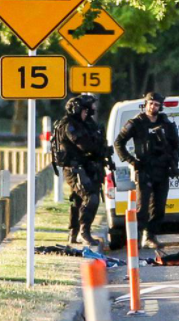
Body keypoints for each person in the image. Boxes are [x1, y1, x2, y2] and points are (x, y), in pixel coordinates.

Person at [113, 91, 179, 249]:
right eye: (150, 103)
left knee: (159, 207)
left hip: (162, 169)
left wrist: (174, 163)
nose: (153, 107)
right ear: (145, 104)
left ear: (160, 107)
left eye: (156, 104)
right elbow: (119, 142)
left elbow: (175, 145)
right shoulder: (136, 122)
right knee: (142, 208)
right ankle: (135, 238)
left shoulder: (166, 123)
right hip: (144, 169)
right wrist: (131, 161)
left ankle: (150, 236)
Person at [53, 95, 112, 246]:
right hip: (75, 168)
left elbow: (97, 142)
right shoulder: (69, 125)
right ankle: (83, 232)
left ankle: (74, 233)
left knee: (78, 200)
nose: (89, 112)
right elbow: (84, 145)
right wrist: (98, 149)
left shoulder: (88, 123)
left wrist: (103, 151)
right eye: (86, 110)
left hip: (89, 166)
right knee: (90, 197)